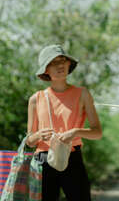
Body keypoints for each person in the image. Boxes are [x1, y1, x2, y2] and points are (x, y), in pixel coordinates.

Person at [26, 44, 102, 201]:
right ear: (45, 70)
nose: (60, 65)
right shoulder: (36, 99)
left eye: (63, 60)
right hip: (43, 161)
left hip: (72, 157)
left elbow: (97, 132)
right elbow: (30, 141)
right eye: (53, 62)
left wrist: (75, 132)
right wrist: (39, 135)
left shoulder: (83, 94)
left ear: (69, 64)